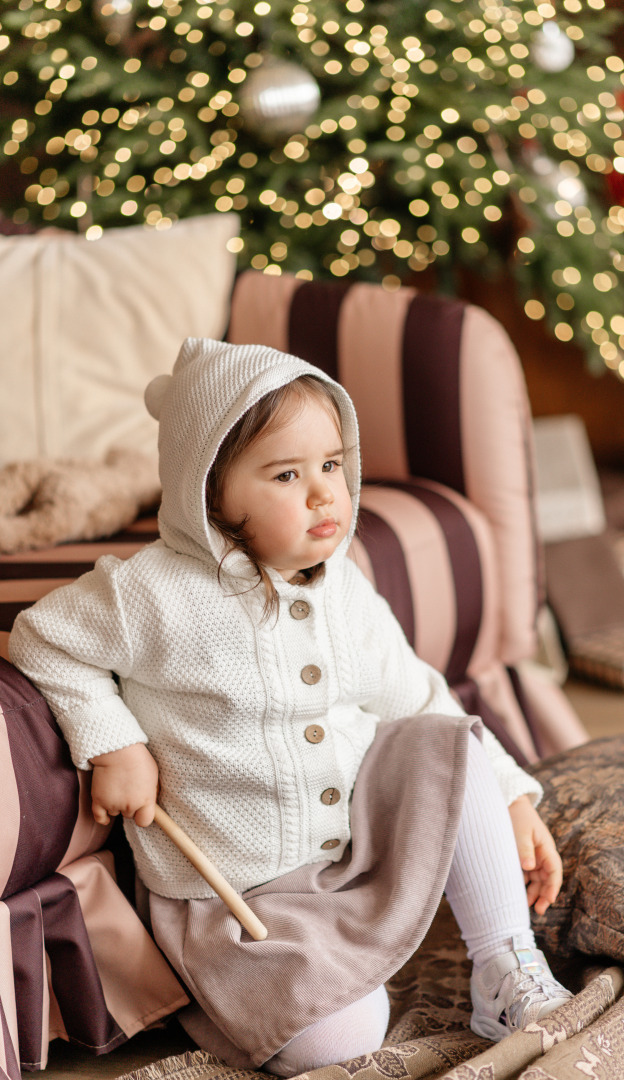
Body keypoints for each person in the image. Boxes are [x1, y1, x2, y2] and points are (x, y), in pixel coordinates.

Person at [9, 338, 572, 1074]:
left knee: (445, 738)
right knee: (343, 1041)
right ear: (209, 489)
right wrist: (114, 741)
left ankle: (504, 964)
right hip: (240, 898)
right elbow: (43, 638)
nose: (324, 494)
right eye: (286, 474)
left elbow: (418, 692)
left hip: (353, 851)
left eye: (333, 466)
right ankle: (278, 991)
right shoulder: (150, 593)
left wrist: (509, 800)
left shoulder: (342, 585)